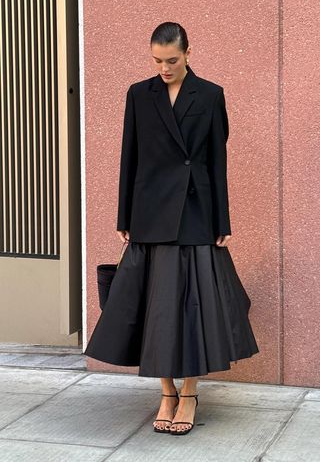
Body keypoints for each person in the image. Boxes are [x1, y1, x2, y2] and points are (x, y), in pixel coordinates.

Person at [84, 22, 259, 436]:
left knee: (194, 306)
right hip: (149, 210)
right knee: (157, 307)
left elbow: (218, 161)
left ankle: (191, 393)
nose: (164, 67)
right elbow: (131, 155)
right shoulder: (138, 94)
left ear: (188, 53)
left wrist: (223, 220)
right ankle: (166, 393)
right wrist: (124, 216)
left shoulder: (211, 94)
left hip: (196, 210)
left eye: (172, 60)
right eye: (157, 60)